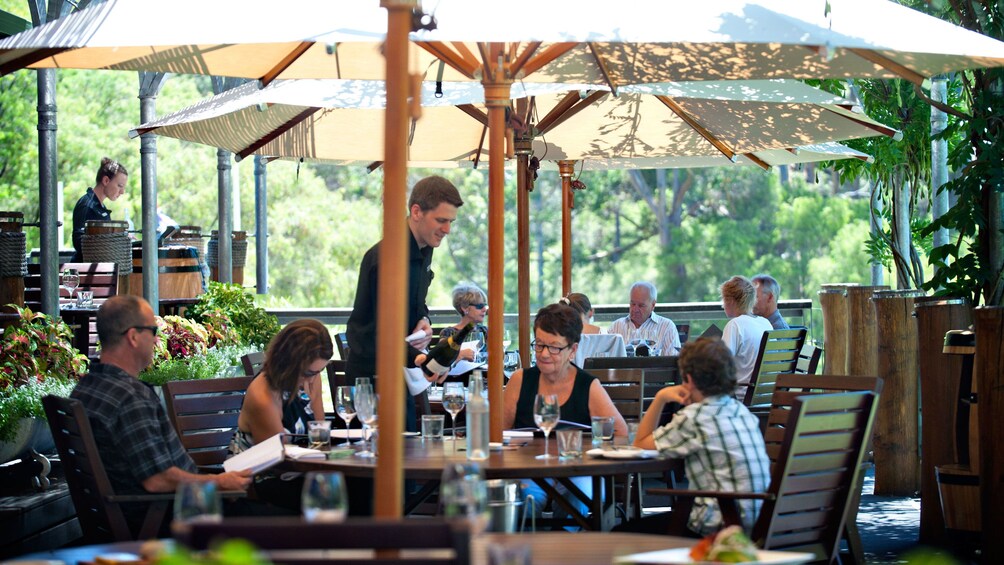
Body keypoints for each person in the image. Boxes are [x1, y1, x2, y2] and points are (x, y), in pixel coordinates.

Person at [70, 295, 252, 534]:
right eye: (153, 331)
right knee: (286, 520)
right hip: (171, 518)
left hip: (140, 514)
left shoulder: (86, 389)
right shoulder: (130, 398)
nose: (157, 340)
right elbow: (158, 480)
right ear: (133, 337)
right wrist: (219, 483)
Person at [345, 175, 464, 431]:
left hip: (398, 371)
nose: (447, 230)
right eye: (441, 221)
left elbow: (416, 304)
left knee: (408, 450)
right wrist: (421, 360)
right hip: (372, 375)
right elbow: (381, 330)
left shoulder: (424, 248)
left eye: (451, 222)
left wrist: (424, 320)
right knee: (385, 461)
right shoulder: (387, 258)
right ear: (416, 212)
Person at [629, 338, 770, 536]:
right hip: (754, 524)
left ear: (689, 379)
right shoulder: (741, 411)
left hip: (718, 527)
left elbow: (640, 444)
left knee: (623, 532)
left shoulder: (694, 418)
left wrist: (661, 396)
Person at [503, 303, 627, 519]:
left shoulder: (587, 386)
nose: (544, 354)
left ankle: (566, 547)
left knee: (575, 497)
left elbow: (620, 434)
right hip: (528, 469)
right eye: (539, 345)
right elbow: (497, 433)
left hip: (577, 470)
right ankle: (524, 549)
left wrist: (587, 453)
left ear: (573, 350)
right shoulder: (520, 381)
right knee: (521, 500)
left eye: (554, 347)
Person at [229, 319, 332, 512]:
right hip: (264, 479)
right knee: (350, 493)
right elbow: (279, 459)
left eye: (319, 371)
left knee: (363, 489)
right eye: (309, 372)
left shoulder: (310, 376)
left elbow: (319, 433)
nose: (312, 378)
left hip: (302, 470)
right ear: (289, 362)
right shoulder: (263, 396)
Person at [720, 276, 772, 401]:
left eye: (723, 300)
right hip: (768, 396)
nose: (722, 305)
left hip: (743, 396)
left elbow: (720, 364)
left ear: (731, 301)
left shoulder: (735, 325)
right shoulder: (765, 323)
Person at [72, 157, 128, 261]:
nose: (122, 192)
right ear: (106, 180)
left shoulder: (101, 208)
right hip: (85, 271)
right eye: (120, 186)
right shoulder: (87, 205)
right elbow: (78, 241)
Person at [608, 281, 681, 356]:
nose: (635, 309)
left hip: (654, 367)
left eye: (641, 305)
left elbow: (673, 360)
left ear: (653, 305)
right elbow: (605, 358)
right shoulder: (616, 327)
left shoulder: (667, 327)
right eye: (633, 304)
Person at [440, 282, 488, 363]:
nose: (484, 309)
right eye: (479, 306)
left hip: (483, 375)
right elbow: (441, 357)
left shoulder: (485, 331)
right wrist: (460, 355)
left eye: (485, 305)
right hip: (457, 375)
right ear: (465, 308)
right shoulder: (449, 333)